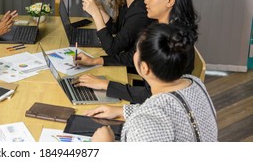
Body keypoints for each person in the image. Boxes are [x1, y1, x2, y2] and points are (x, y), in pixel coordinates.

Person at [76, 0, 199, 104]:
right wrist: (96, 61)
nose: (145, 1)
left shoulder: (168, 40)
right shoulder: (165, 27)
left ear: (170, 0)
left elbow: (149, 93)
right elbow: (132, 56)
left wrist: (105, 85)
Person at [86, 23, 217, 142]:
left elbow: (153, 118)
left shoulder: (143, 124)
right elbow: (170, 112)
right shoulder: (194, 83)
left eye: (136, 51)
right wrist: (122, 111)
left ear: (144, 68)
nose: (134, 54)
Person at [75, 0, 156, 69]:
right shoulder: (128, 1)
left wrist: (95, 14)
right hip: (125, 59)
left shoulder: (140, 12)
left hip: (136, 68)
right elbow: (115, 29)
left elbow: (112, 49)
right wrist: (100, 9)